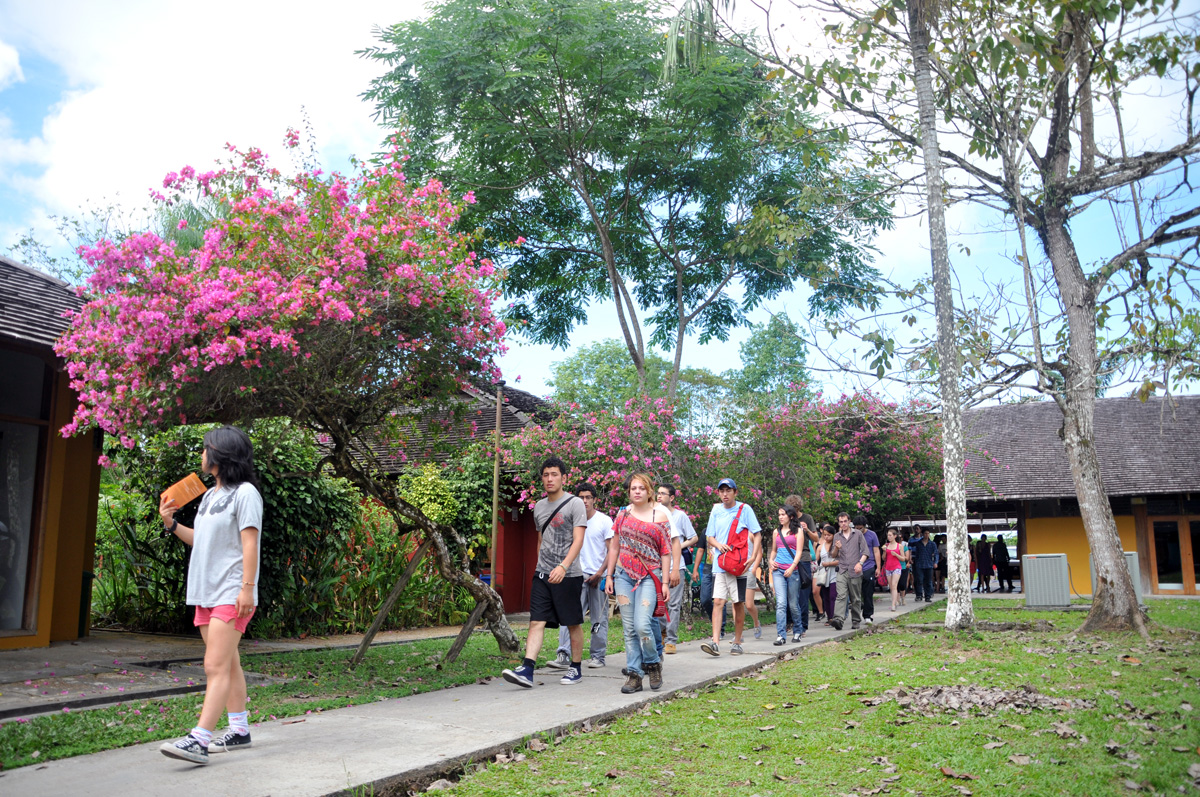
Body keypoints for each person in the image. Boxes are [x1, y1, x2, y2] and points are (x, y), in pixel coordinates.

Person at [157, 426, 263, 765]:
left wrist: (247, 589)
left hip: (232, 591)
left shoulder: (245, 493)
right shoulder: (209, 495)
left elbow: (250, 543)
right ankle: (240, 730)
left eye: (206, 449)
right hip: (205, 590)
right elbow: (199, 540)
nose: (202, 455)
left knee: (214, 665)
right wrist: (171, 524)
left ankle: (199, 740)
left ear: (221, 454)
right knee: (228, 663)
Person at [502, 457, 587, 688]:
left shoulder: (574, 504)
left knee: (572, 623)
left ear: (564, 478)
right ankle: (527, 669)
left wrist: (563, 566)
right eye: (546, 475)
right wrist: (542, 566)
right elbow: (541, 539)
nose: (550, 479)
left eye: (554, 474)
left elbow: (578, 540)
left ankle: (576, 668)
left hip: (568, 575)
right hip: (543, 575)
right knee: (536, 621)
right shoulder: (539, 507)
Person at [604, 473, 671, 693]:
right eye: (633, 488)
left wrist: (665, 582)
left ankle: (652, 663)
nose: (637, 491)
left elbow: (665, 551)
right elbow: (614, 547)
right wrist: (610, 575)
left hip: (650, 577)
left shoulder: (659, 516)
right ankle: (634, 674)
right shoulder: (623, 514)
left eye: (642, 488)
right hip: (623, 574)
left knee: (643, 624)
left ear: (649, 490)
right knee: (629, 628)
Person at [547, 482, 614, 671]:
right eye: (581, 498)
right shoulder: (571, 520)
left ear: (594, 500)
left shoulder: (604, 521)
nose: (584, 501)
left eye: (588, 497)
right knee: (568, 616)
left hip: (598, 576)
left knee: (598, 619)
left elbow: (611, 551)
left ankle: (598, 656)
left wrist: (601, 573)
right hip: (574, 575)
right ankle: (563, 655)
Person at [700, 478, 761, 657]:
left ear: (735, 492)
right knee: (718, 602)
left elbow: (757, 534)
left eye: (728, 490)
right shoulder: (716, 510)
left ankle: (737, 641)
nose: (725, 494)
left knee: (737, 603)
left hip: (739, 565)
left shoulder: (745, 509)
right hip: (720, 563)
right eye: (722, 491)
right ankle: (715, 642)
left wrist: (753, 556)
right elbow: (710, 536)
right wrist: (718, 546)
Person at [657, 485, 697, 654]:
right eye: (657, 493)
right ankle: (661, 634)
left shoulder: (680, 516)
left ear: (672, 497)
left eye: (662, 494)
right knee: (657, 603)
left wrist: (680, 546)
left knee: (673, 605)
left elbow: (694, 537)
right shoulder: (653, 514)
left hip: (676, 567)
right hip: (656, 567)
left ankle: (671, 640)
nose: (659, 496)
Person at [783, 495, 819, 635]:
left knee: (803, 594)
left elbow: (816, 538)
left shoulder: (807, 518)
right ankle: (789, 622)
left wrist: (807, 530)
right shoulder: (785, 519)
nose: (793, 515)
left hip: (803, 557)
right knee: (788, 593)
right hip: (788, 557)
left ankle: (803, 626)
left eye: (795, 511)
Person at [768, 506, 803, 645]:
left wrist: (792, 566)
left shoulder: (798, 531)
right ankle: (781, 635)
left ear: (791, 516)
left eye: (783, 514)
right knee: (781, 604)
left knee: (793, 604)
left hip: (792, 570)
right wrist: (771, 561)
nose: (781, 517)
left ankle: (798, 631)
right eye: (779, 514)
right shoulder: (776, 531)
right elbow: (774, 550)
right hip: (778, 570)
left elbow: (799, 552)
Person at [830, 512, 868, 631]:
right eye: (841, 522)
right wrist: (837, 547)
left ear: (849, 521)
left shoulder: (857, 534)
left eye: (845, 521)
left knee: (855, 597)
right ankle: (838, 620)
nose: (843, 524)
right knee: (841, 595)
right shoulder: (837, 536)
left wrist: (860, 563)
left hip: (855, 569)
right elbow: (833, 555)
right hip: (842, 569)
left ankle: (856, 620)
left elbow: (866, 551)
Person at [854, 516, 881, 624]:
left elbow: (876, 551)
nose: (858, 530)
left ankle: (868, 615)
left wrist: (878, 567)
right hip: (855, 567)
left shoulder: (872, 535)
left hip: (869, 566)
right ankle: (856, 614)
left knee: (868, 592)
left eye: (860, 528)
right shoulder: (852, 535)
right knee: (855, 592)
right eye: (856, 528)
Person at [815, 525, 839, 623]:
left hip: (835, 572)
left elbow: (840, 561)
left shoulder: (837, 546)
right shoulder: (820, 547)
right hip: (823, 573)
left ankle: (834, 616)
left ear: (833, 535)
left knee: (833, 595)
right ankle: (829, 617)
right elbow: (816, 560)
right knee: (826, 596)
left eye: (829, 535)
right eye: (824, 535)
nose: (826, 537)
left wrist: (829, 563)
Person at [910, 525, 939, 602]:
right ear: (922, 534)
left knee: (928, 581)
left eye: (928, 533)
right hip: (919, 564)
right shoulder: (918, 543)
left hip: (929, 564)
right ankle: (919, 595)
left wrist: (935, 562)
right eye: (925, 533)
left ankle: (928, 596)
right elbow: (914, 553)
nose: (927, 535)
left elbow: (936, 553)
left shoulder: (932, 544)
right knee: (919, 580)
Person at [882, 528, 906, 611]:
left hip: (897, 567)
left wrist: (896, 554)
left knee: (894, 584)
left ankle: (893, 604)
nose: (889, 537)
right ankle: (894, 601)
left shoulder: (900, 546)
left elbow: (903, 558)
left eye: (890, 535)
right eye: (888, 535)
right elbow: (883, 558)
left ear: (895, 536)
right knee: (891, 587)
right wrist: (884, 551)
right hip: (888, 567)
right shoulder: (886, 545)